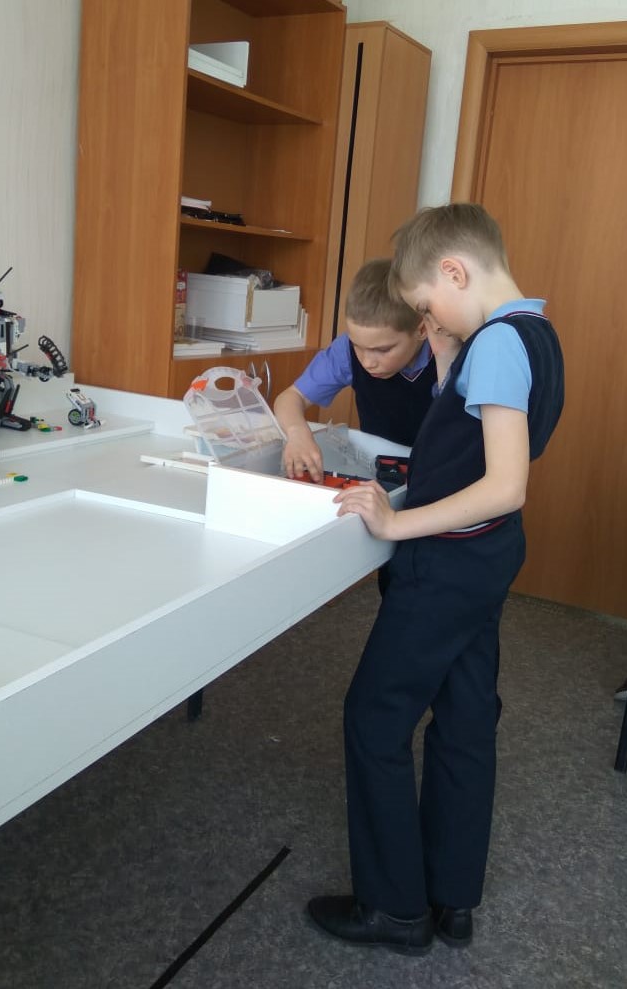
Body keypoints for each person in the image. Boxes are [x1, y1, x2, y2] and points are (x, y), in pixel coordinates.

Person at [307, 203, 564, 955]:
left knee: (373, 716)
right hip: (488, 558)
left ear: (453, 272)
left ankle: (394, 910)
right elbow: (467, 435)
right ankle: (452, 897)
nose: (427, 319)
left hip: (447, 560)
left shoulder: (498, 343)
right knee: (464, 715)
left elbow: (503, 484)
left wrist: (395, 523)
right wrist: (448, 359)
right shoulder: (533, 333)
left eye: (426, 303)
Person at [274, 258, 436, 483]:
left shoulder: (449, 357)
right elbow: (292, 397)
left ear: (422, 329)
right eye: (357, 345)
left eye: (382, 350)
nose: (367, 362)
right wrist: (297, 432)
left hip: (439, 475)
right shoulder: (345, 350)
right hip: (384, 474)